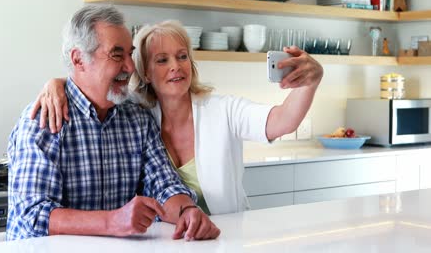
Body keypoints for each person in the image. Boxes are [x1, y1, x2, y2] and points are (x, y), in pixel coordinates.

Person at [32, 20, 323, 215]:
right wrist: (56, 84)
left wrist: (311, 81)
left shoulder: (222, 109)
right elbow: (93, 85)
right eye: (162, 60)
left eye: (182, 56)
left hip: (227, 234)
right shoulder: (134, 114)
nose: (176, 67)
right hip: (165, 241)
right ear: (144, 71)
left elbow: (283, 121)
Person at [7, 6, 220, 241]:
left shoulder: (136, 118)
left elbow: (164, 185)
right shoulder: (44, 120)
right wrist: (112, 220)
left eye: (130, 54)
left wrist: (187, 211)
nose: (130, 67)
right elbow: (33, 215)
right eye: (117, 55)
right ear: (78, 60)